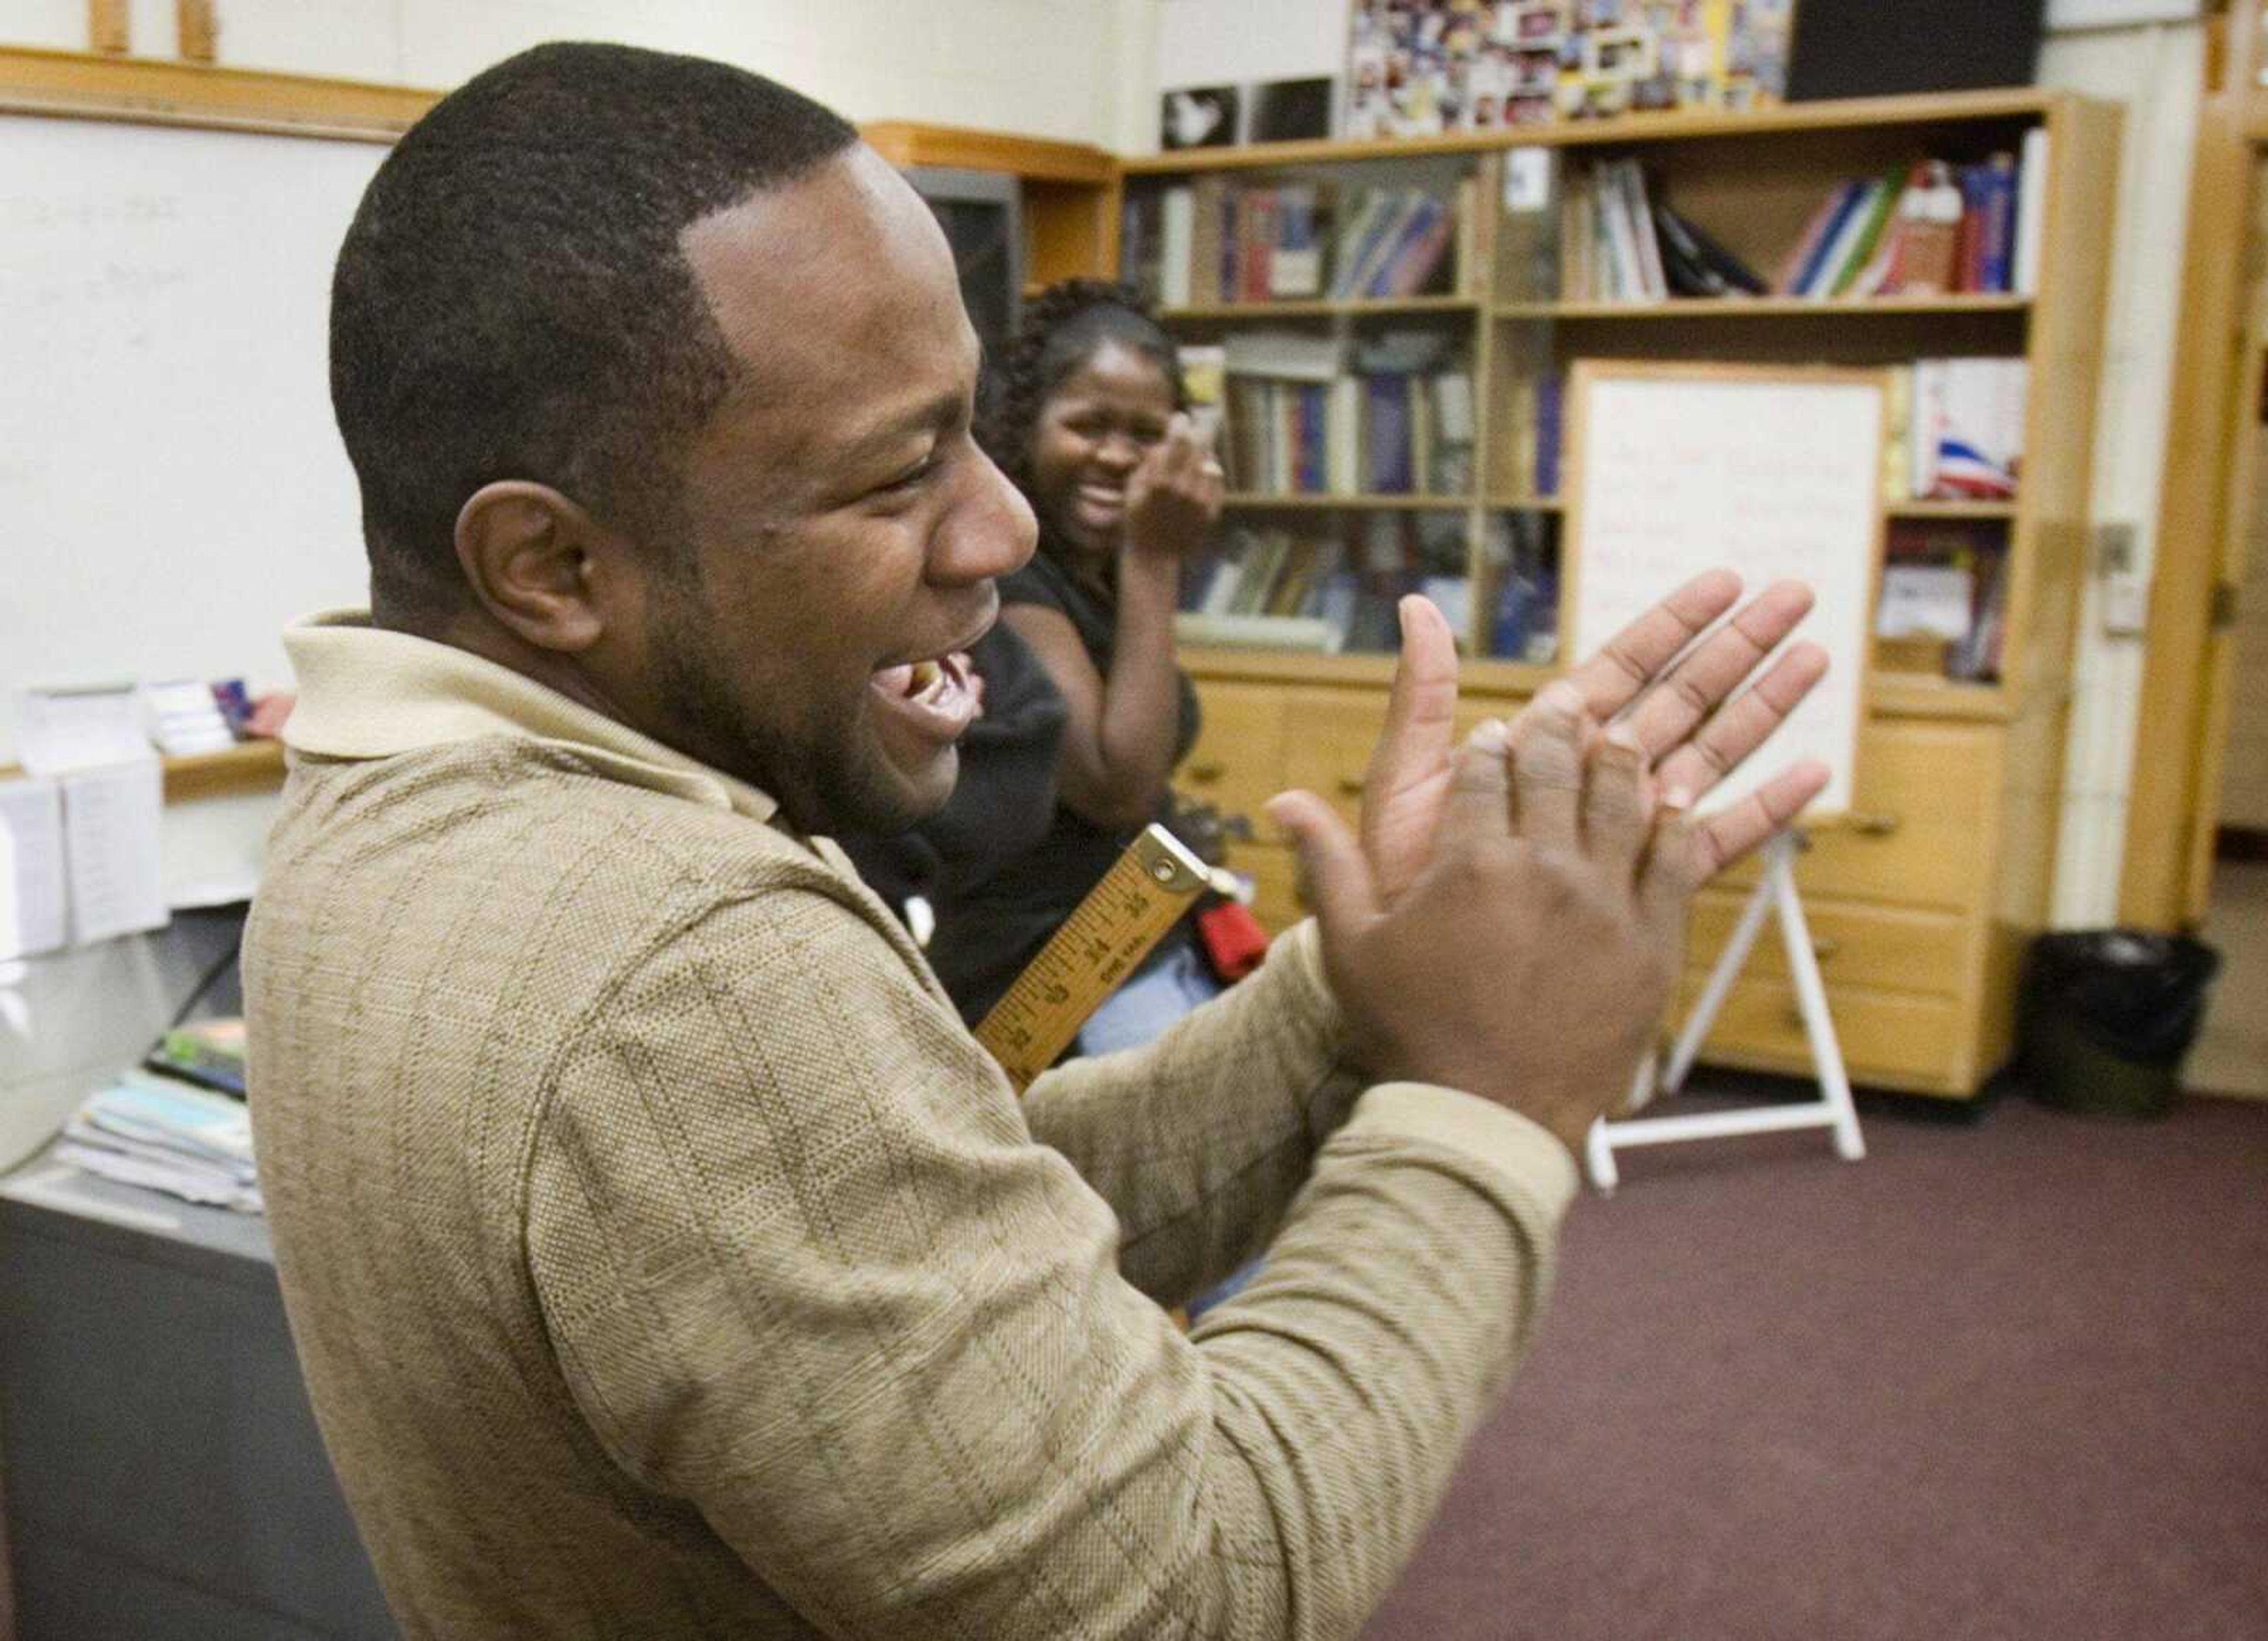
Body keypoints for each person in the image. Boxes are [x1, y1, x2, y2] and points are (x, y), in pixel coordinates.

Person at [244, 41, 1829, 1640]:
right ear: (554, 565)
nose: (1001, 525)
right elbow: (1196, 1586)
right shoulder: (680, 966)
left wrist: (1358, 994)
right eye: (897, 470)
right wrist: (1493, 1098)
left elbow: (916, 1251)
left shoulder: (367, 800)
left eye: (970, 430)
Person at [858, 280, 1227, 1048]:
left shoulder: (1105, 574)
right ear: (1028, 427)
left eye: (1145, 434)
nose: (1118, 456)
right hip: (1050, 975)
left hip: (1146, 943)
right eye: (1089, 425)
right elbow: (1115, 783)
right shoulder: (1008, 581)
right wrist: (1156, 558)